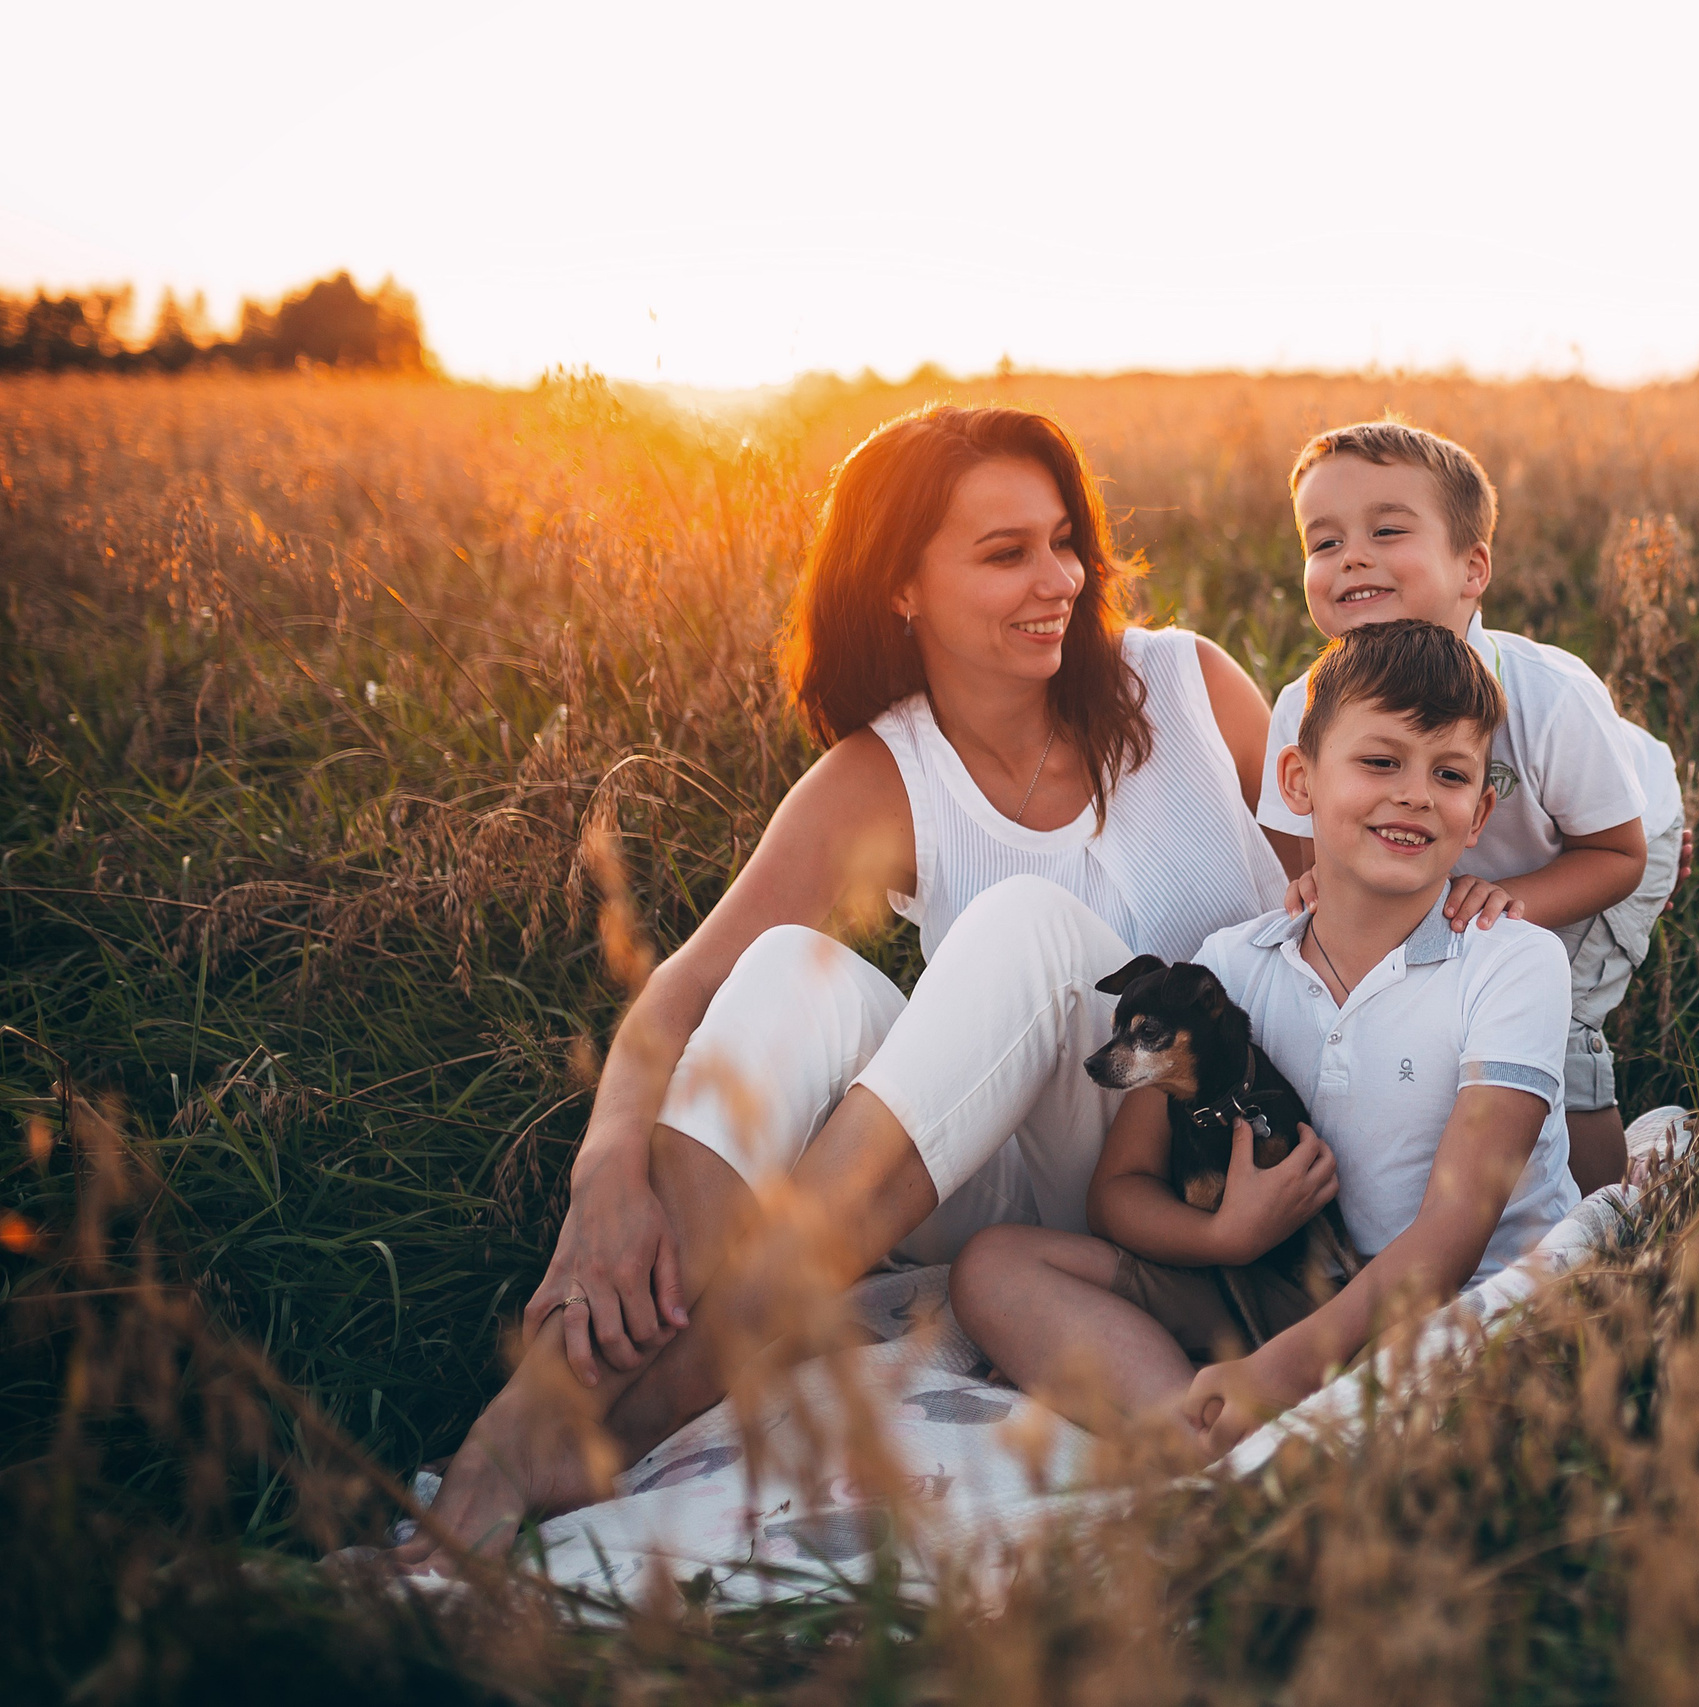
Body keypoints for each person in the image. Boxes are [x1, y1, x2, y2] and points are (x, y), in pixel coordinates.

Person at [398, 403, 1289, 1570]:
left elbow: (1348, 899)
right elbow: (680, 997)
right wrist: (605, 1169)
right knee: (779, 972)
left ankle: (672, 1383)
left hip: (1205, 1157)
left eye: (1064, 540)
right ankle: (534, 1422)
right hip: (1028, 1193)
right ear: (901, 588)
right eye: (1005, 552)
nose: (1059, 579)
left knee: (1026, 927)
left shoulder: (1188, 689)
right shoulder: (884, 772)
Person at [951, 619, 1581, 1458]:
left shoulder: (1512, 962)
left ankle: (1265, 1432)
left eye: (1452, 774)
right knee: (994, 1267)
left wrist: (1280, 1371)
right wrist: (1224, 1238)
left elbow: (1452, 1232)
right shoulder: (1231, 968)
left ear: (1479, 815)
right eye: (1381, 761)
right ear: (1298, 779)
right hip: (1274, 1284)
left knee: (1453, 1387)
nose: (1416, 793)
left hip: (1453, 1308)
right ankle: (1203, 1431)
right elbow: (1121, 1190)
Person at [1256, 421, 1687, 1196]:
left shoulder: (1547, 697)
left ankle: (1601, 1209)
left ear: (1472, 568)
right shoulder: (1302, 710)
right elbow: (1300, 852)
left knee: (1549, 1009)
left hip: (1597, 843)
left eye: (1388, 531)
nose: (1352, 555)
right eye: (1324, 543)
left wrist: (1515, 903)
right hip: (1437, 849)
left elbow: (1616, 851)